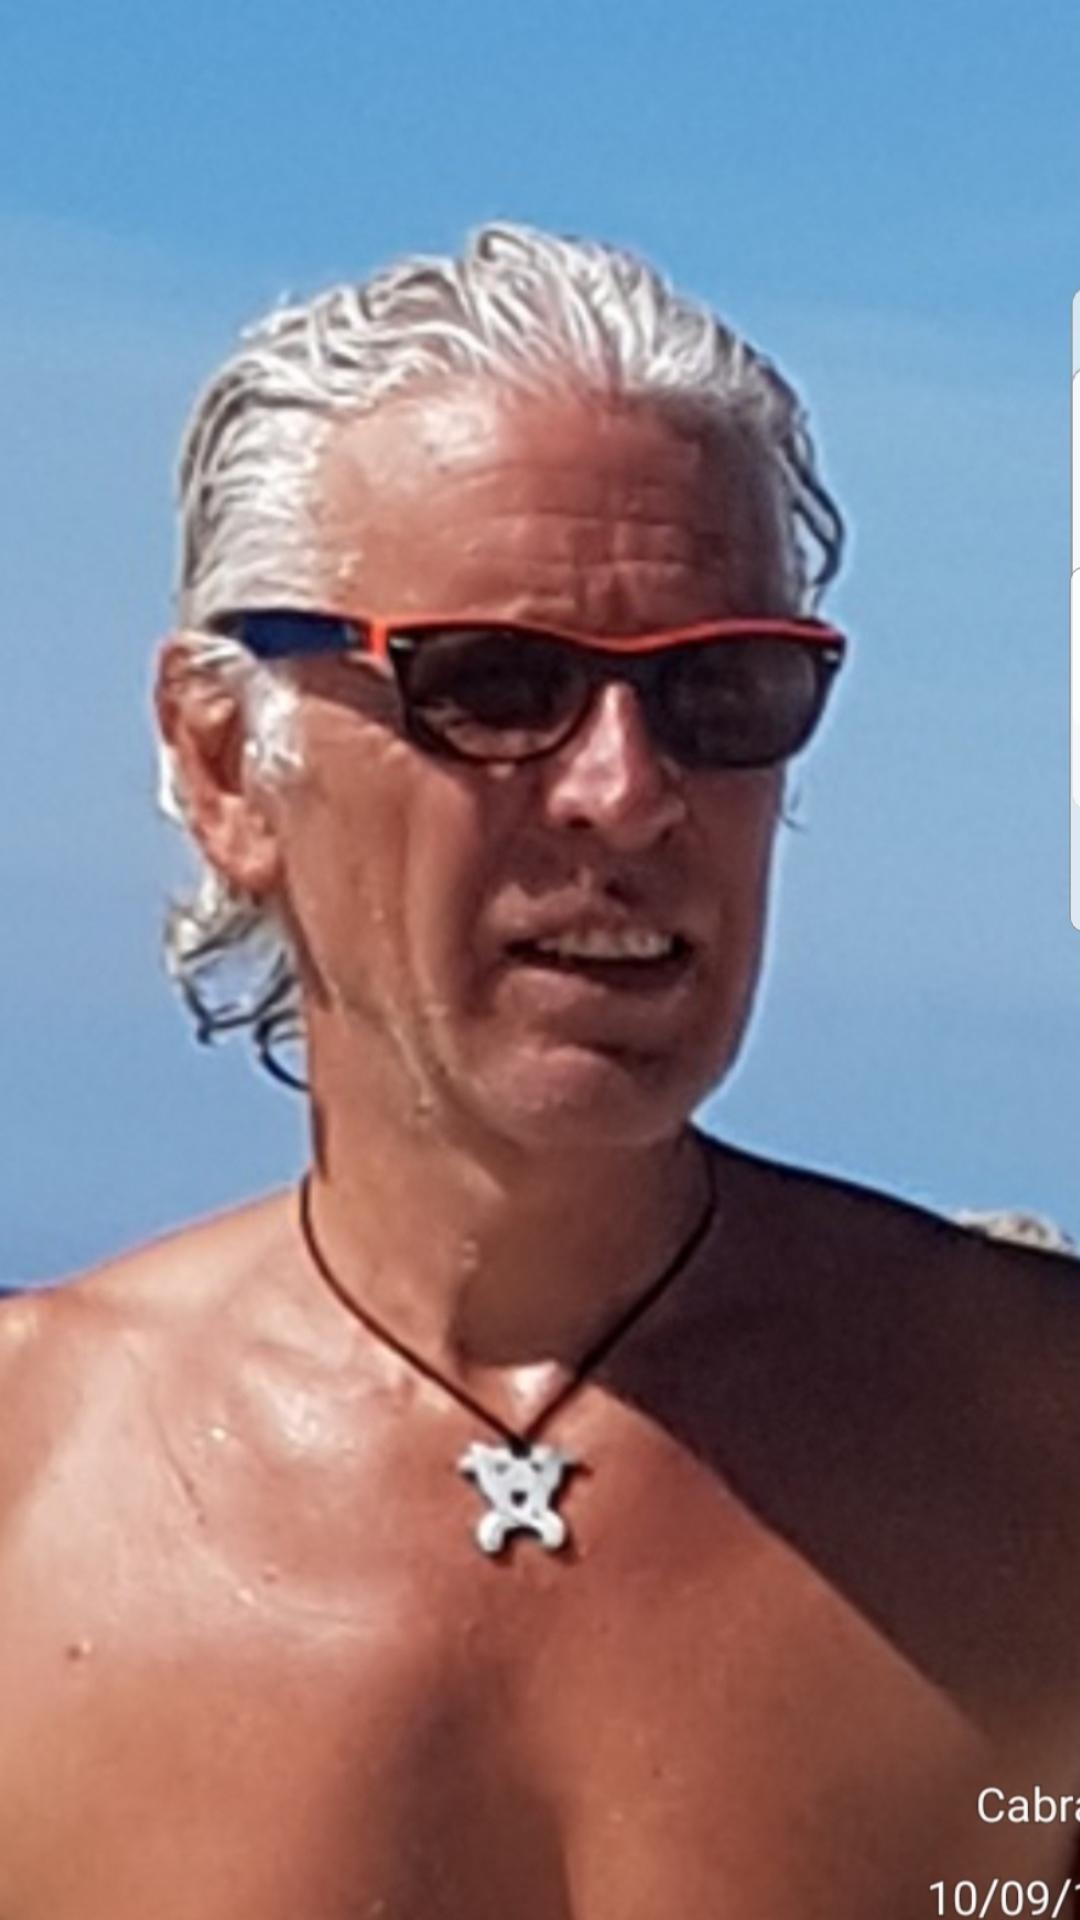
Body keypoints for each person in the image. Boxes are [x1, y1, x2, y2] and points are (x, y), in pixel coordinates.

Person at [2, 224, 1077, 1920]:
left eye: (722, 691)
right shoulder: (33, 1484)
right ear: (225, 766)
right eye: (495, 687)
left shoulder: (1036, 1448)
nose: (624, 795)